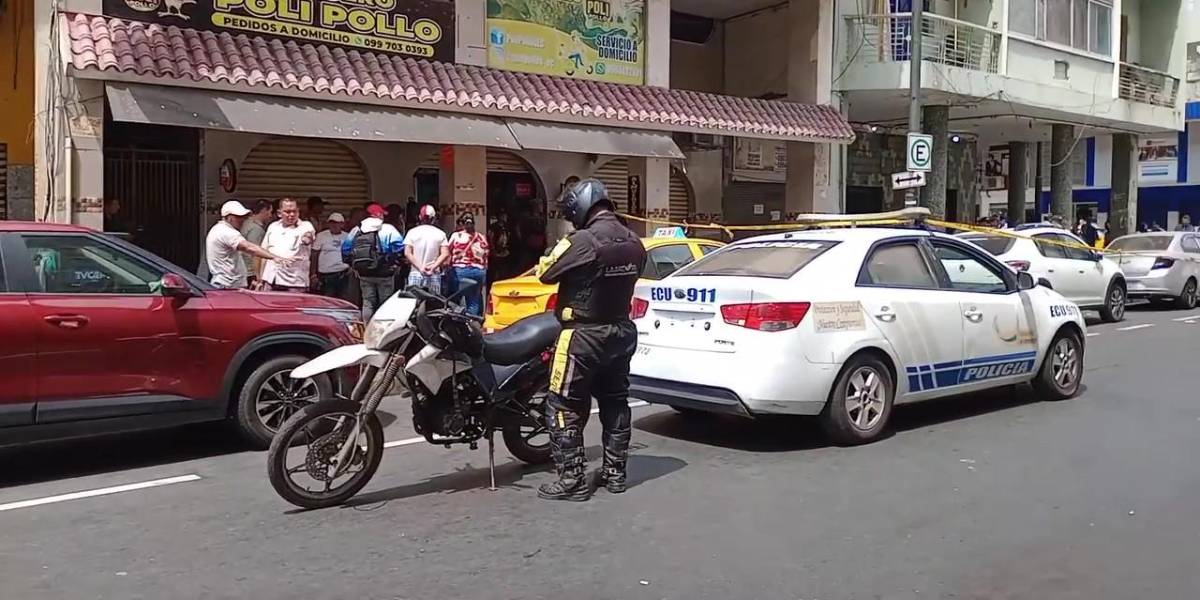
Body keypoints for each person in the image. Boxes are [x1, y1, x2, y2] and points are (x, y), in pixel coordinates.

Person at [534, 179, 646, 502]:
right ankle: (615, 474)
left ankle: (572, 480)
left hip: (582, 336)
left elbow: (546, 272)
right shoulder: (633, 240)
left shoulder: (582, 240)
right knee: (615, 401)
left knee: (561, 404)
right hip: (621, 333)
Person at [205, 200, 292, 289]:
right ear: (230, 218)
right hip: (228, 285)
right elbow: (250, 248)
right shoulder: (227, 232)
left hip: (226, 283)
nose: (243, 220)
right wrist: (274, 257)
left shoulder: (217, 229)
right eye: (239, 217)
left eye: (244, 217)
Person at [342, 203, 405, 320]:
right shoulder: (387, 228)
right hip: (385, 272)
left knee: (367, 302)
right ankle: (382, 330)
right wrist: (394, 263)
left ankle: (367, 329)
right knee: (385, 303)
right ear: (378, 215)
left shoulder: (357, 230)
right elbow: (400, 247)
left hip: (364, 273)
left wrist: (354, 266)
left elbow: (345, 250)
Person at [260, 198, 316, 292]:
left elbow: (308, 236)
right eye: (287, 212)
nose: (292, 215)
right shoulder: (273, 227)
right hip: (271, 279)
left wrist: (306, 239)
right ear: (279, 213)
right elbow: (264, 252)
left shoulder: (305, 226)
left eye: (294, 211)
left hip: (295, 283)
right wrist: (260, 279)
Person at [447, 214, 490, 317]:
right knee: (473, 301)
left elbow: (448, 252)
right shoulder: (481, 237)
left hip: (460, 271)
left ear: (462, 224)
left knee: (454, 300)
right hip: (478, 272)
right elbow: (486, 256)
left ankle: (455, 324)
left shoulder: (456, 236)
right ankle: (472, 324)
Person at [404, 205, 449, 294]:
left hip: (416, 272)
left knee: (414, 303)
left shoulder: (412, 232)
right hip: (433, 274)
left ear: (420, 217)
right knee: (434, 303)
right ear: (434, 218)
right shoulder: (440, 233)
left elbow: (407, 252)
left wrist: (420, 267)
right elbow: (445, 253)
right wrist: (433, 267)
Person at [312, 212, 351, 299]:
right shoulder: (321, 235)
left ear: (342, 224)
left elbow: (352, 253)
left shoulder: (348, 237)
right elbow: (314, 254)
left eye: (337, 223)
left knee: (343, 300)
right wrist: (313, 274)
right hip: (326, 275)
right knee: (327, 299)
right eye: (332, 222)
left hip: (343, 274)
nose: (334, 225)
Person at [240, 199, 274, 288]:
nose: (271, 216)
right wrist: (258, 276)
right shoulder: (256, 229)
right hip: (250, 273)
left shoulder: (246, 223)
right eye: (270, 212)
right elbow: (255, 253)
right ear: (263, 211)